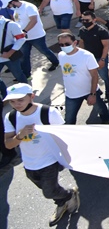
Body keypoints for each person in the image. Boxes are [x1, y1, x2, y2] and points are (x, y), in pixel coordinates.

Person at [3, 83, 81, 226]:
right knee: (47, 188)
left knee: (49, 191)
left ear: (31, 96)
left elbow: (65, 135)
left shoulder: (48, 113)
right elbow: (8, 144)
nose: (16, 104)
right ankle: (62, 202)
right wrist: (19, 136)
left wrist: (69, 156)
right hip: (29, 163)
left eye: (20, 100)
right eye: (12, 101)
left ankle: (70, 194)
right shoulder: (11, 117)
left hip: (49, 160)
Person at [57, 32, 109, 124]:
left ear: (75, 43)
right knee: (69, 120)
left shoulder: (87, 56)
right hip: (71, 94)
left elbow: (95, 76)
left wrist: (93, 94)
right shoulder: (61, 55)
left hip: (89, 92)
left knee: (102, 111)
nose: (64, 46)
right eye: (61, 45)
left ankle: (108, 121)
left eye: (67, 44)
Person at [2, 0, 60, 76]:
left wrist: (25, 31)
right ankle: (26, 74)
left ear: (13, 2)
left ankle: (55, 62)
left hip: (36, 36)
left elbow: (34, 20)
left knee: (44, 51)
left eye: (8, 5)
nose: (8, 8)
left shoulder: (28, 7)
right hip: (23, 38)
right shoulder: (17, 9)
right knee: (24, 56)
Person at [78, 11, 109, 101]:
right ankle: (97, 91)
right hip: (87, 59)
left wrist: (102, 59)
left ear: (94, 20)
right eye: (83, 20)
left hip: (99, 57)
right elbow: (81, 42)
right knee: (90, 77)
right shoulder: (82, 30)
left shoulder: (101, 31)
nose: (85, 22)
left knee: (104, 76)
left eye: (87, 20)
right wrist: (80, 55)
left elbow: (106, 46)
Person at [0, 13, 28, 84]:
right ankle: (4, 94)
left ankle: (27, 93)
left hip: (10, 57)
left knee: (19, 75)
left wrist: (10, 53)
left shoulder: (11, 24)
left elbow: (21, 39)